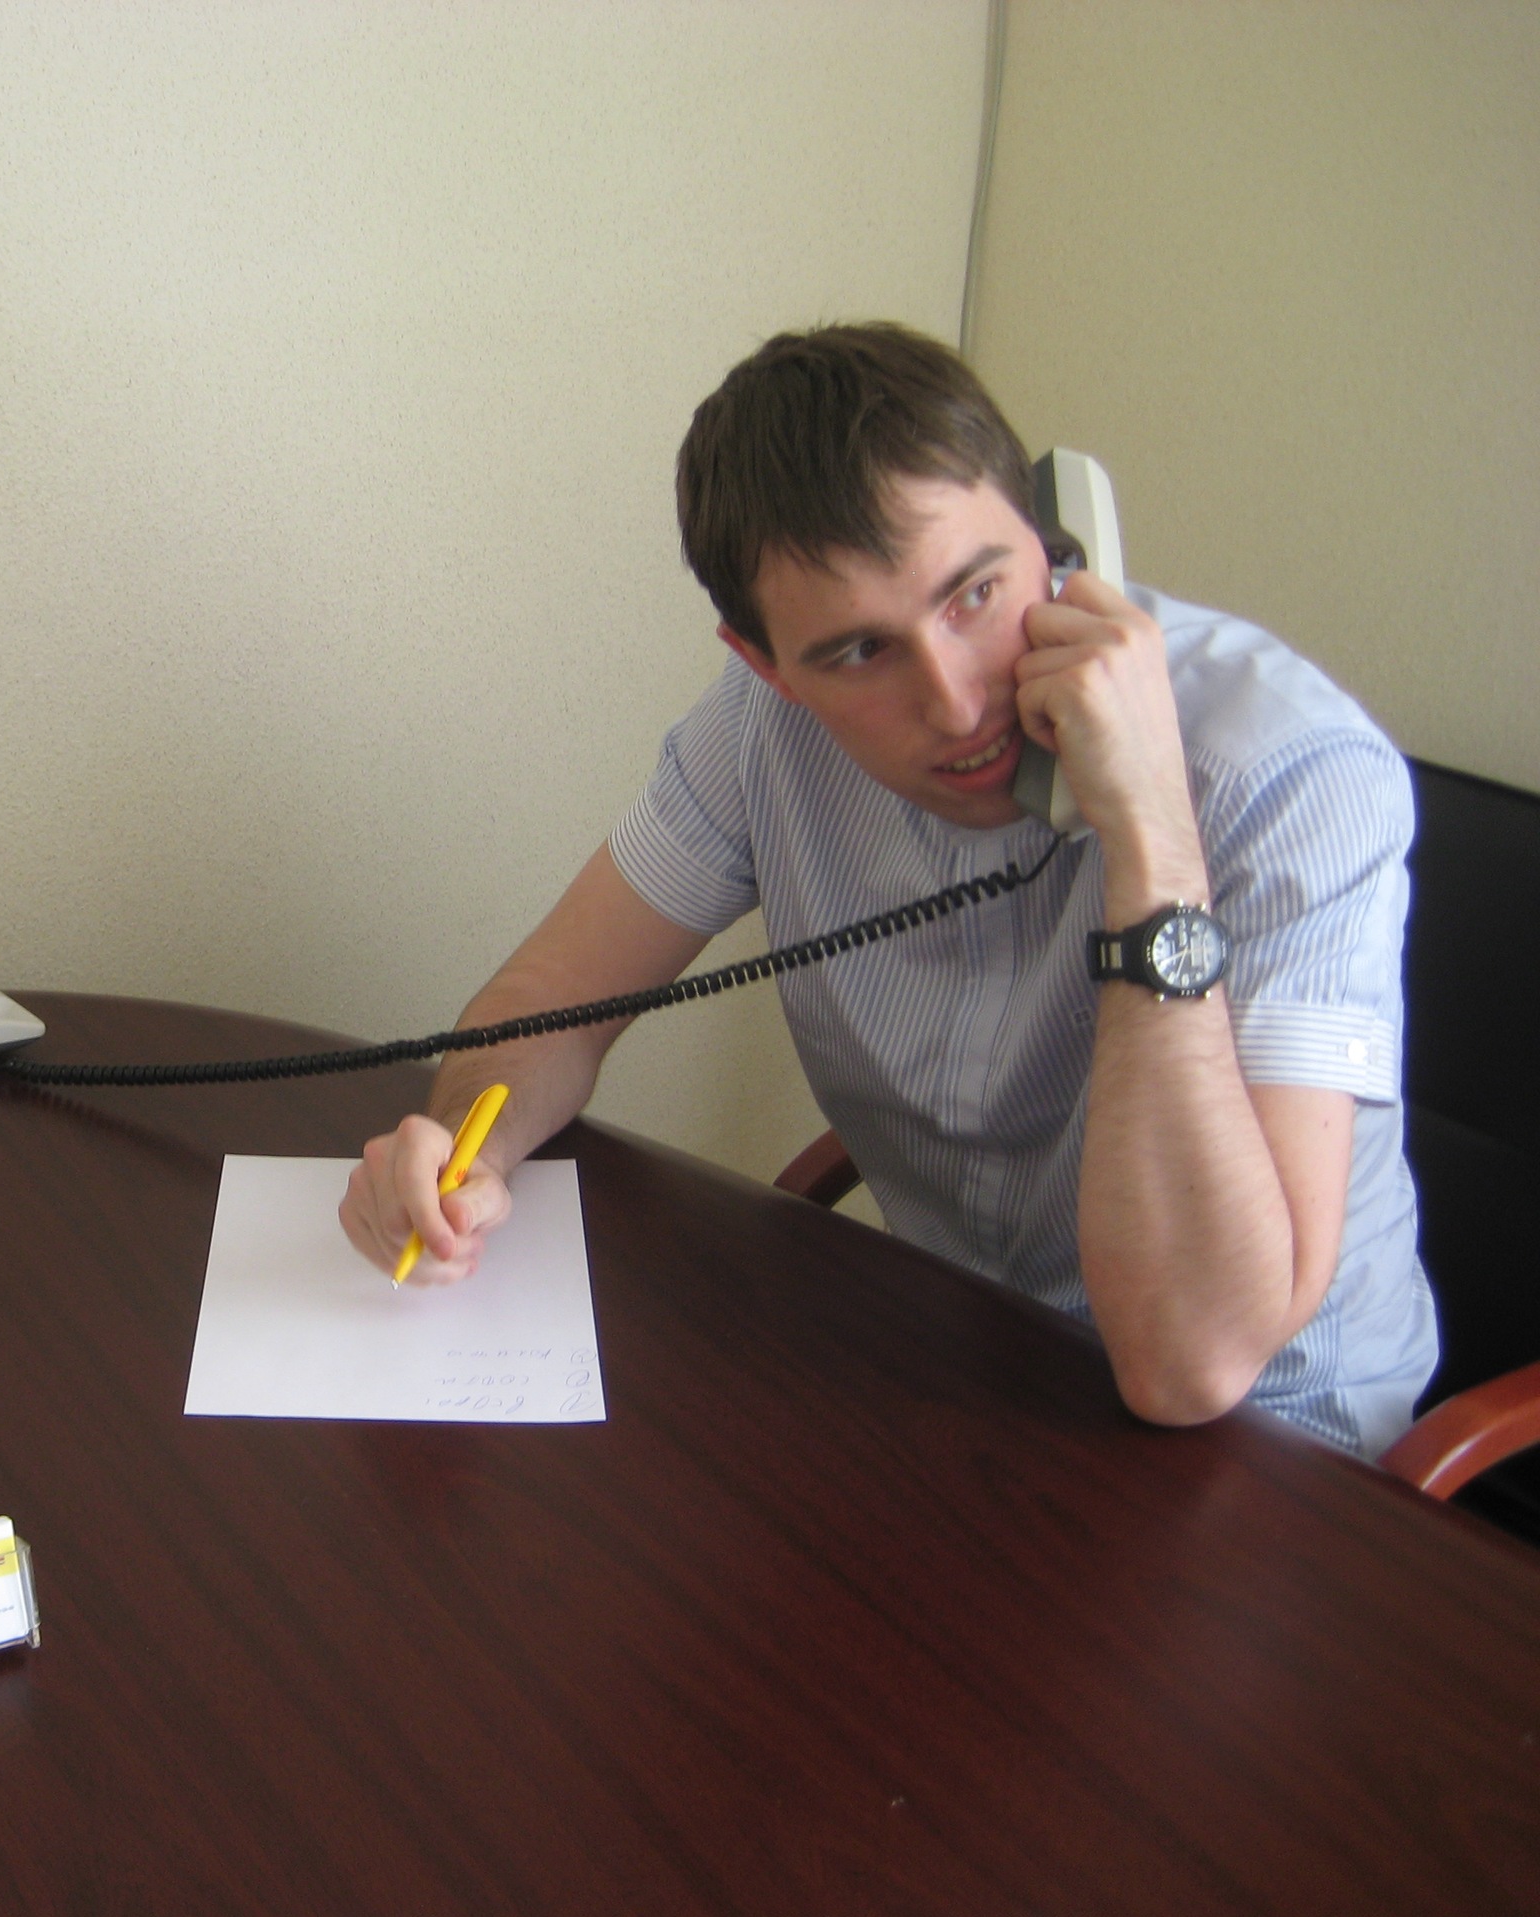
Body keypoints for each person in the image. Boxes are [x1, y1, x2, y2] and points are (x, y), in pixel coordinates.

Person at [340, 322, 1434, 1458]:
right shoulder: (760, 729)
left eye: (976, 593)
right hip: (968, 1367)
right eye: (860, 652)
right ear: (766, 664)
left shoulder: (1287, 770)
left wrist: (1153, 841)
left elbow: (1189, 1364)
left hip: (1277, 1444)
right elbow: (549, 1002)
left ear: (1052, 538)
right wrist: (460, 1152)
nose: (956, 704)